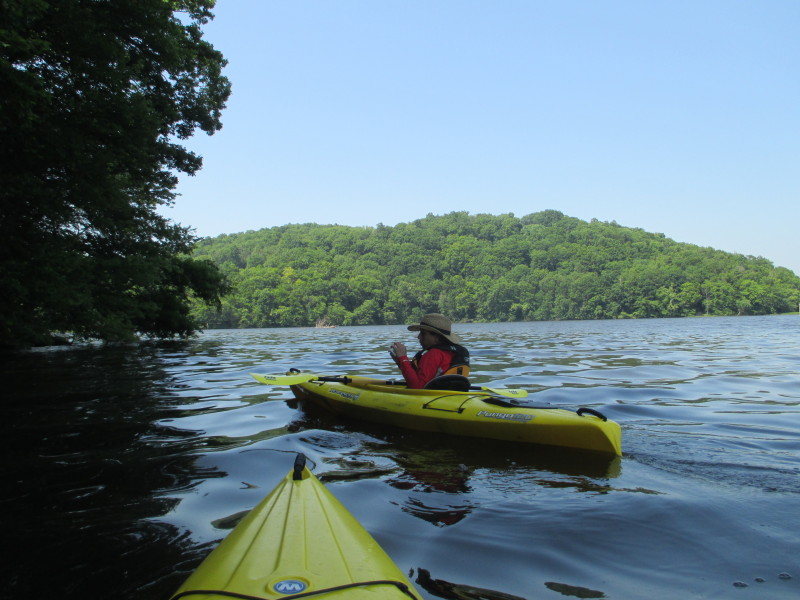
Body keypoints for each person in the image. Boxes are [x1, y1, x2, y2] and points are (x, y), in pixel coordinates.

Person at [390, 313, 470, 389]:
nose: (419, 337)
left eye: (423, 333)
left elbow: (417, 387)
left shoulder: (434, 354)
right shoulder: (455, 351)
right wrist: (399, 362)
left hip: (434, 398)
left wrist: (403, 358)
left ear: (437, 337)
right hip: (454, 396)